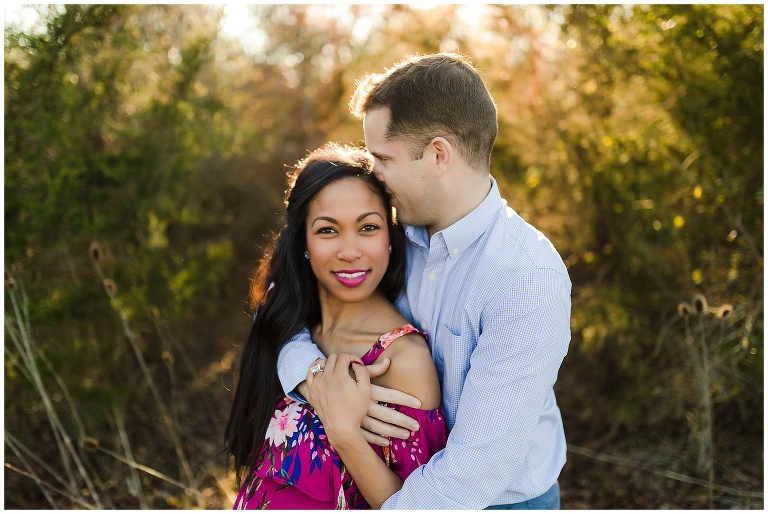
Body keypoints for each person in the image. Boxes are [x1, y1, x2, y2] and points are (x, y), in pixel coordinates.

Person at [278, 53, 572, 509]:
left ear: (438, 154)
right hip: (383, 481)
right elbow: (285, 298)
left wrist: (347, 436)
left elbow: (472, 477)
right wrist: (312, 376)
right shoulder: (391, 236)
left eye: (383, 158)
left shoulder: (525, 278)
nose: (372, 172)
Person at [224, 142, 448, 509]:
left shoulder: (400, 360)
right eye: (328, 230)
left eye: (368, 228)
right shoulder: (290, 323)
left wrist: (345, 434)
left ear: (390, 238)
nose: (349, 251)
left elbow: (417, 506)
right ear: (303, 242)